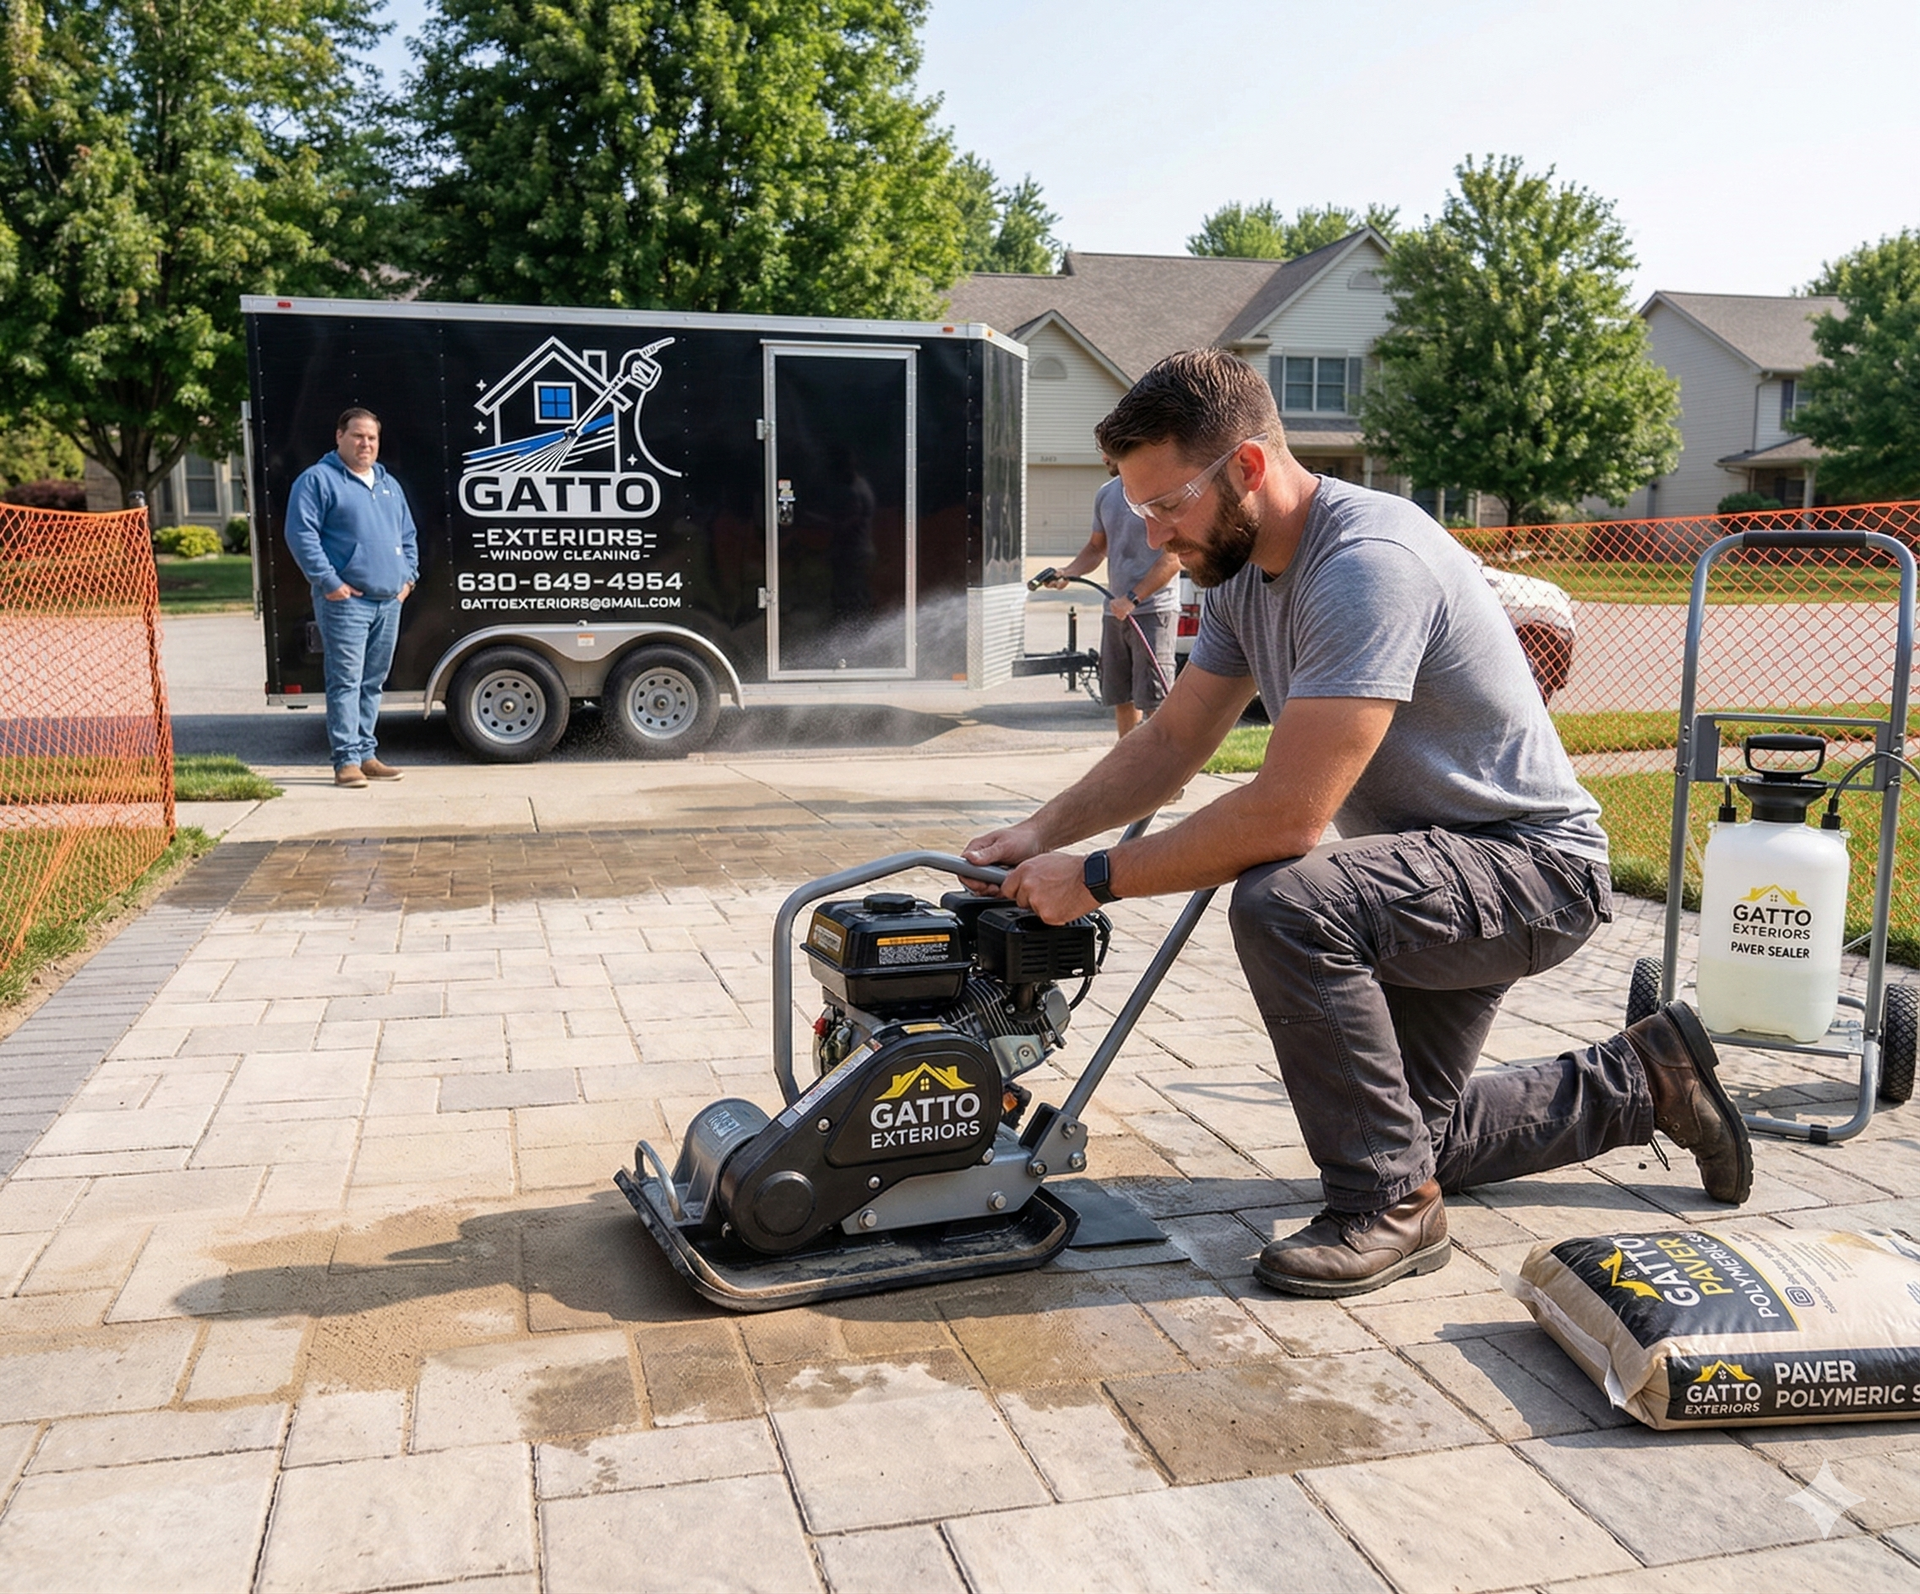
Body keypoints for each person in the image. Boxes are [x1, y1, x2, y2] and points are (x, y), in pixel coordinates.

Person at [964, 348, 1751, 1299]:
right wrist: (1039, 834)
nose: (1157, 536)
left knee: (1287, 901)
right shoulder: (1245, 575)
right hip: (1431, 871)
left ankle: (1390, 1214)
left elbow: (1288, 815)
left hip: (1532, 870)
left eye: (1167, 505)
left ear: (1247, 467)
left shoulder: (1367, 561)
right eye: (1139, 512)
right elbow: (1174, 740)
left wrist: (1094, 881)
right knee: (1419, 1138)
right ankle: (1651, 1080)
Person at [285, 409, 419, 788]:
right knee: (346, 680)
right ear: (339, 435)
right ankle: (346, 762)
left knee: (372, 681)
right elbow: (301, 534)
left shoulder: (389, 484)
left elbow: (408, 536)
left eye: (372, 438)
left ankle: (366, 755)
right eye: (358, 436)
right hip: (346, 603)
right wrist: (329, 582)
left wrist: (407, 580)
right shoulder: (318, 480)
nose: (366, 444)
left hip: (388, 601)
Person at [1046, 463, 1180, 738]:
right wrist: (1068, 573)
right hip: (1115, 613)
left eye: (1107, 449)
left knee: (1155, 701)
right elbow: (1097, 547)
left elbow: (1173, 557)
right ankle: (1128, 768)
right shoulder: (1106, 494)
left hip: (1154, 612)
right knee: (1122, 697)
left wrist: (1133, 598)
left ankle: (1162, 776)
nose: (1104, 457)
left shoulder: (1161, 489)